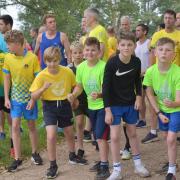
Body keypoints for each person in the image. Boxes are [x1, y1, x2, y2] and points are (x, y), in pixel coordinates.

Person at [30, 46, 87, 179]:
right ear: (45, 61)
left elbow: (77, 85)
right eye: (49, 61)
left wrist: (73, 95)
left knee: (69, 132)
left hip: (64, 104)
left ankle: (72, 156)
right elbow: (33, 96)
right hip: (49, 106)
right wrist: (43, 88)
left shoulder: (67, 72)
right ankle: (53, 165)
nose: (52, 64)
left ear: (59, 59)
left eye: (55, 61)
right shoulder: (42, 75)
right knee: (51, 135)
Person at [103, 32, 150, 179]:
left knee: (133, 133)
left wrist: (138, 97)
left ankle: (138, 165)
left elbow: (137, 81)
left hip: (130, 103)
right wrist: (108, 111)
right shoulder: (111, 63)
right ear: (118, 46)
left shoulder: (136, 62)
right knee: (115, 136)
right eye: (123, 44)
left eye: (129, 45)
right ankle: (116, 170)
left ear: (134, 46)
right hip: (115, 105)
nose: (126, 47)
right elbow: (106, 88)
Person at [68, 37, 110, 179]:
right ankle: (103, 161)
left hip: (104, 106)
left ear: (99, 52)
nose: (90, 53)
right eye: (87, 50)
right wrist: (73, 95)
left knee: (100, 136)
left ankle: (105, 166)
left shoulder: (104, 66)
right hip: (91, 106)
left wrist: (99, 94)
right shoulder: (81, 67)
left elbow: (109, 89)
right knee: (97, 136)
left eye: (93, 50)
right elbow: (79, 86)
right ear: (84, 52)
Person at [3, 30, 43, 172]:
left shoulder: (32, 58)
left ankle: (35, 153)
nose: (7, 47)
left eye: (9, 44)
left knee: (32, 126)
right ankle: (17, 159)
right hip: (15, 100)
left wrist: (33, 98)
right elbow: (7, 78)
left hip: (29, 100)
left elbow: (38, 80)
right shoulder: (8, 58)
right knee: (14, 126)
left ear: (18, 44)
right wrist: (7, 97)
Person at [143, 37, 180, 180]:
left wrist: (173, 104)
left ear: (174, 55)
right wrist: (158, 112)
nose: (164, 52)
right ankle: (173, 162)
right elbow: (149, 93)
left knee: (171, 139)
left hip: (177, 109)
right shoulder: (151, 71)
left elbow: (178, 100)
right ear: (155, 53)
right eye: (161, 49)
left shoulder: (177, 72)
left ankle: (171, 172)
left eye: (168, 50)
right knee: (166, 137)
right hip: (162, 110)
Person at [135, 24, 157, 136]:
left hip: (148, 75)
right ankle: (142, 120)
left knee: (150, 99)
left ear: (145, 32)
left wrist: (145, 72)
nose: (137, 32)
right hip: (138, 75)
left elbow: (152, 61)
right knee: (140, 98)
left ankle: (155, 126)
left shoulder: (149, 43)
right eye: (136, 30)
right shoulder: (135, 44)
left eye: (139, 30)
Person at [68, 41, 89, 157]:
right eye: (75, 53)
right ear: (71, 54)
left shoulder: (88, 65)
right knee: (80, 122)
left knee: (95, 122)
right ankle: (80, 147)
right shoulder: (68, 69)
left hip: (91, 98)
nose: (77, 55)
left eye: (80, 52)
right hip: (77, 100)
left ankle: (98, 140)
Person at [0, 14, 15, 157]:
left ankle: (13, 146)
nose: (0, 27)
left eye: (1, 24)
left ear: (8, 25)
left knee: (11, 117)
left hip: (9, 86)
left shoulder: (14, 41)